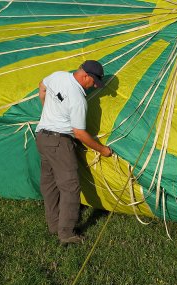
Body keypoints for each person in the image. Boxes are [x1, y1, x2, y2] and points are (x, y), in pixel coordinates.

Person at [35, 60, 112, 246]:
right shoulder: (78, 99)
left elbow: (42, 87)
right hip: (59, 142)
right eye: (93, 82)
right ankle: (66, 233)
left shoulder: (58, 76)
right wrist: (103, 150)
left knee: (49, 183)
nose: (94, 86)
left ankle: (54, 225)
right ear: (85, 75)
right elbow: (79, 133)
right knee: (70, 186)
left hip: (42, 137)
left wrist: (47, 111)